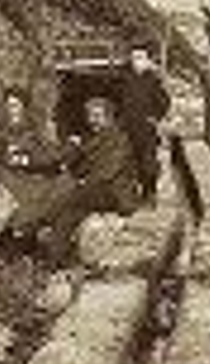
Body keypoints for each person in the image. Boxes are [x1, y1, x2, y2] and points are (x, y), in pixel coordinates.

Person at [33, 94, 144, 264]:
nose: (93, 121)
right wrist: (73, 147)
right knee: (70, 213)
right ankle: (55, 258)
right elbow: (77, 166)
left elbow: (107, 173)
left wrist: (81, 182)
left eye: (97, 116)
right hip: (97, 191)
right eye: (90, 116)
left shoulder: (120, 140)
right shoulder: (94, 139)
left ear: (109, 117)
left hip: (116, 193)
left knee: (74, 196)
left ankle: (41, 222)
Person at [0, 84, 70, 255]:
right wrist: (3, 152)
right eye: (9, 106)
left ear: (24, 107)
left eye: (16, 106)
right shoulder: (0, 127)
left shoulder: (35, 127)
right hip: (5, 174)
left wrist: (28, 159)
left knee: (35, 197)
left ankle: (20, 237)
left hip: (30, 176)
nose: (13, 110)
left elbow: (52, 155)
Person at [119, 43, 169, 200]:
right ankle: (133, 194)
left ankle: (150, 193)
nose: (136, 61)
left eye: (140, 58)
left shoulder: (153, 80)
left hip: (147, 128)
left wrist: (155, 117)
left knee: (148, 163)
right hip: (128, 127)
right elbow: (116, 100)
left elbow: (165, 101)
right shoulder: (124, 78)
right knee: (130, 162)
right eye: (134, 58)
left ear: (147, 60)